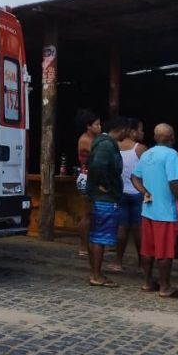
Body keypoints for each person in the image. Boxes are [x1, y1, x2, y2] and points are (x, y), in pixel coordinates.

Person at [131, 123, 178, 298]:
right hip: (165, 211)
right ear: (172, 137)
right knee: (165, 252)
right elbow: (174, 183)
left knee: (148, 249)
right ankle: (165, 287)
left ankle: (148, 282)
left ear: (155, 137)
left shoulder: (147, 154)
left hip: (148, 209)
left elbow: (134, 177)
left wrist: (145, 192)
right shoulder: (171, 155)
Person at [86, 116, 127, 287]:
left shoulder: (105, 143)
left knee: (97, 234)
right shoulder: (106, 145)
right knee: (100, 236)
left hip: (104, 197)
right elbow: (97, 166)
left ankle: (96, 273)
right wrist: (104, 183)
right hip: (104, 198)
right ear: (120, 129)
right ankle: (96, 275)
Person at [107, 118, 147, 272]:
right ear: (132, 131)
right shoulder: (140, 149)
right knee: (139, 230)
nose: (142, 133)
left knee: (121, 228)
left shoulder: (115, 146)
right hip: (138, 192)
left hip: (120, 192)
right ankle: (142, 263)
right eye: (140, 129)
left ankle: (118, 261)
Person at [75, 109, 101, 257]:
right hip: (87, 176)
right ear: (88, 126)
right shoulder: (85, 140)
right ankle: (83, 246)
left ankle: (89, 243)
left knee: (92, 213)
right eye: (96, 124)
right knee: (87, 214)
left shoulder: (95, 138)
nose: (99, 127)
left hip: (92, 176)